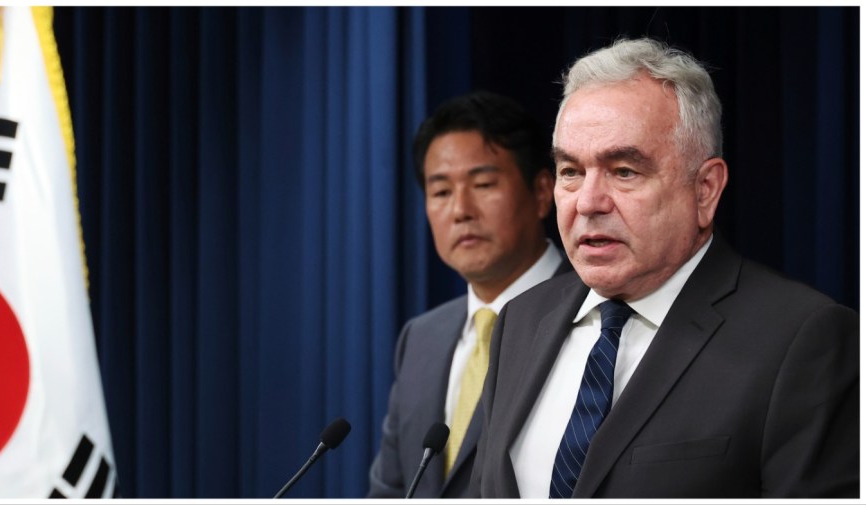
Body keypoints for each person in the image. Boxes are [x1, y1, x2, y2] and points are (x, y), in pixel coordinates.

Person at [469, 38, 859, 498]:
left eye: (624, 171)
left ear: (705, 190)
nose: (588, 203)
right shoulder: (521, 319)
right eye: (571, 171)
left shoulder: (801, 339)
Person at [368, 91, 572, 498]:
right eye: (441, 192)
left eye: (482, 184)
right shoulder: (421, 339)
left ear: (541, 191)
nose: (461, 209)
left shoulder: (595, 314)